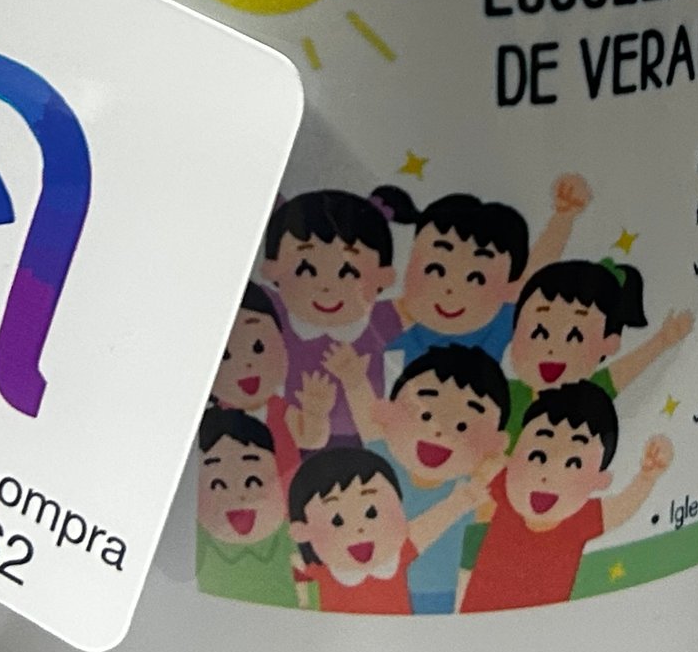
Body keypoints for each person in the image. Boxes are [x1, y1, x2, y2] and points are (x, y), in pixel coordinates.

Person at [323, 341, 510, 614]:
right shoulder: (385, 465)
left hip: (436, 590)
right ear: (389, 413)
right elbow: (369, 422)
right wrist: (353, 379)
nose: (439, 431)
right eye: (425, 415)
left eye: (461, 425)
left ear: (493, 442)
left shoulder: (470, 489)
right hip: (379, 585)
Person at [459, 382, 672, 613]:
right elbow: (476, 457)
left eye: (573, 463)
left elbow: (621, 507)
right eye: (538, 456)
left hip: (545, 629)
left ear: (600, 481)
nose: (547, 475)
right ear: (513, 459)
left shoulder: (581, 519)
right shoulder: (509, 488)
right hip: (478, 621)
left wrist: (647, 477)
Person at [378, 175, 590, 364]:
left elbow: (534, 275)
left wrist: (563, 218)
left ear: (508, 286)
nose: (450, 289)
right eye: (435, 269)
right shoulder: (398, 315)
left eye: (476, 278)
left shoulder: (499, 321)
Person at [255, 190, 403, 441]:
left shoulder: (384, 318)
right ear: (273, 269)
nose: (325, 286)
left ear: (383, 276)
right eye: (306, 269)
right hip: (285, 439)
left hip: (361, 444)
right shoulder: (270, 313)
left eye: (347, 271)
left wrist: (355, 381)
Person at [285, 445, 491, 615]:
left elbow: (431, 524)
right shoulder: (317, 570)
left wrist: (464, 499)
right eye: (337, 520)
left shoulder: (396, 556)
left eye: (372, 512)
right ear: (302, 531)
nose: (359, 528)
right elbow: (297, 582)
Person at [501, 258, 691, 437]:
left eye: (574, 336)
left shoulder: (588, 396)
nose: (551, 349)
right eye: (539, 332)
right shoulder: (505, 394)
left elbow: (621, 372)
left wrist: (662, 340)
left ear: (609, 343)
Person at [211, 283, 332, 480]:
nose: (247, 364)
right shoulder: (212, 420)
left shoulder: (279, 410)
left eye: (258, 347)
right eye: (225, 355)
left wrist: (316, 412)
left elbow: (311, 438)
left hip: (285, 502)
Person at [193, 406, 303, 607]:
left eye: (253, 481)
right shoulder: (194, 538)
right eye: (217, 484)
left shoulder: (289, 531)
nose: (241, 496)